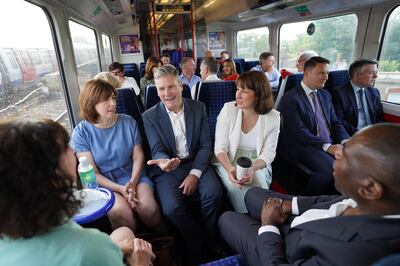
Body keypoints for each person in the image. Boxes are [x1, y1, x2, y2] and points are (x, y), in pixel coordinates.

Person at [219, 123, 400, 266]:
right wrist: (292, 205)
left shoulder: (355, 254)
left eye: (346, 155)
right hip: (303, 214)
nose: (337, 154)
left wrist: (268, 226)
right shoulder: (379, 201)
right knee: (252, 194)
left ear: (369, 189)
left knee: (226, 218)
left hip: (286, 247)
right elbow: (338, 200)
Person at [0, 119, 155, 266]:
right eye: (66, 147)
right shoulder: (88, 248)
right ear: (54, 172)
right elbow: (84, 253)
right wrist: (140, 262)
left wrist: (115, 249)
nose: (73, 150)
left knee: (124, 233)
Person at [143, 65, 223, 265]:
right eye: (161, 89)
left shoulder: (198, 107)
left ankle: (211, 235)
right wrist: (165, 162)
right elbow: (156, 148)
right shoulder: (150, 116)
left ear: (180, 86)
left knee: (214, 193)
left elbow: (205, 145)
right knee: (171, 208)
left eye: (171, 87)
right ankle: (198, 242)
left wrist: (195, 174)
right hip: (168, 170)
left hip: (195, 162)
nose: (167, 93)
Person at [71, 79, 166, 234]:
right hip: (105, 182)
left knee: (148, 208)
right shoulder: (81, 133)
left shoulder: (128, 122)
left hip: (133, 175)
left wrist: (132, 183)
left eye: (113, 98)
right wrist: (121, 189)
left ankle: (168, 244)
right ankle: (130, 253)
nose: (112, 103)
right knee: (122, 214)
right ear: (91, 104)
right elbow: (92, 174)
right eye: (105, 100)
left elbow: (138, 157)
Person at [279, 56, 349, 195]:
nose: (326, 77)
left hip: (328, 141)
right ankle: (307, 202)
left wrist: (347, 141)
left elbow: (335, 122)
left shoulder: (325, 95)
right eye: (321, 73)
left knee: (357, 162)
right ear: (306, 73)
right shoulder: (290, 98)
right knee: (331, 169)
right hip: (303, 144)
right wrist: (327, 147)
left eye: (327, 73)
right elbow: (297, 131)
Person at [214, 71, 280, 213]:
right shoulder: (228, 110)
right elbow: (220, 148)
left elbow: (269, 153)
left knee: (259, 189)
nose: (237, 95)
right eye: (238, 89)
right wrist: (231, 170)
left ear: (258, 94)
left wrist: (253, 169)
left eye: (244, 91)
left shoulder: (273, 117)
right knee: (237, 187)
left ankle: (264, 220)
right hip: (229, 160)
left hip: (256, 162)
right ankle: (246, 221)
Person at [331, 59, 384, 136]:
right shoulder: (338, 93)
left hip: (373, 134)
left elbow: (379, 116)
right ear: (357, 75)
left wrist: (377, 132)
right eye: (371, 73)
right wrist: (361, 134)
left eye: (376, 72)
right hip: (352, 135)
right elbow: (339, 121)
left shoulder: (374, 92)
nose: (376, 76)